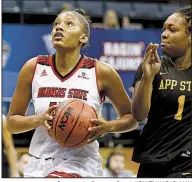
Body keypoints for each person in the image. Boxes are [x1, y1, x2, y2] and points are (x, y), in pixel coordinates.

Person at [7, 9, 138, 178]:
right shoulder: (33, 68)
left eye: (69, 24)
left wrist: (108, 127)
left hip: (81, 164)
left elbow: (131, 118)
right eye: (56, 24)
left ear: (83, 38)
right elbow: (11, 123)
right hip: (39, 163)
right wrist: (39, 119)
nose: (59, 28)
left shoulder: (101, 72)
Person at [131, 5, 192, 178]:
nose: (164, 34)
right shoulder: (151, 65)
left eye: (173, 30)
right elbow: (139, 115)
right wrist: (148, 77)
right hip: (153, 157)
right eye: (164, 28)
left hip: (186, 161)